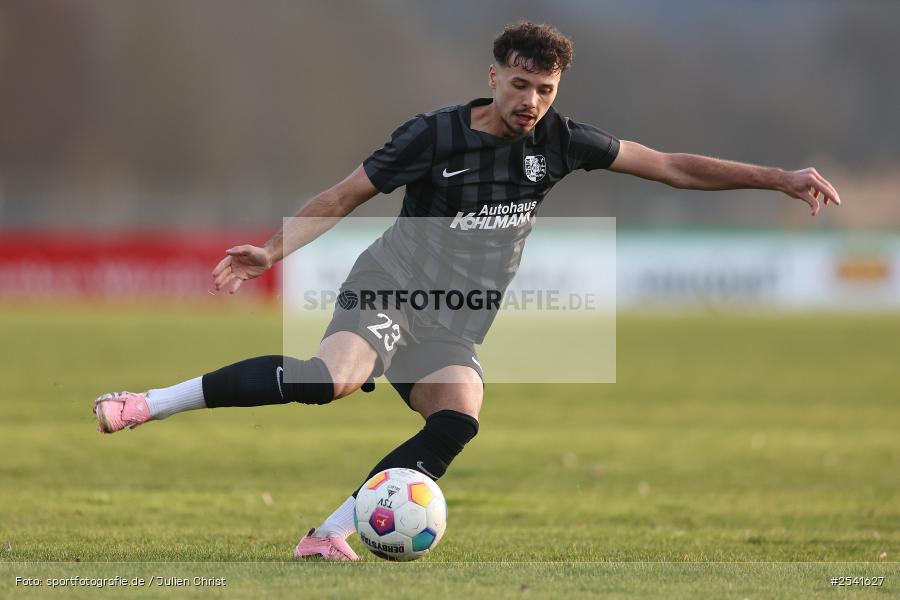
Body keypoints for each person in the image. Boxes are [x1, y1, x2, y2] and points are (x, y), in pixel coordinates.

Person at [93, 21, 840, 561]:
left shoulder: (563, 141)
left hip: (455, 320)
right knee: (331, 382)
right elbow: (346, 194)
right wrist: (272, 249)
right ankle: (147, 404)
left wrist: (780, 177)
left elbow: (673, 165)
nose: (532, 102)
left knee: (457, 419)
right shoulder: (434, 135)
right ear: (494, 77)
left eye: (545, 89)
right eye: (520, 85)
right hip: (391, 286)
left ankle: (327, 535)